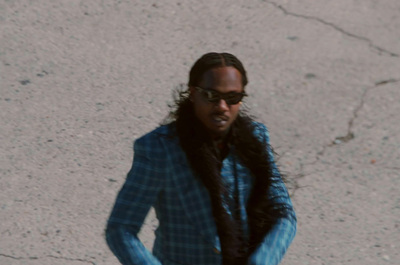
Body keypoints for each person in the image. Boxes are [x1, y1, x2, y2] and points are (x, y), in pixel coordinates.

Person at [105, 52, 296, 265]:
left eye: (232, 98)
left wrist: (262, 261)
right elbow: (121, 228)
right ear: (194, 93)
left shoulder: (255, 139)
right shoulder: (159, 149)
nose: (222, 106)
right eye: (212, 96)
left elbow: (284, 213)